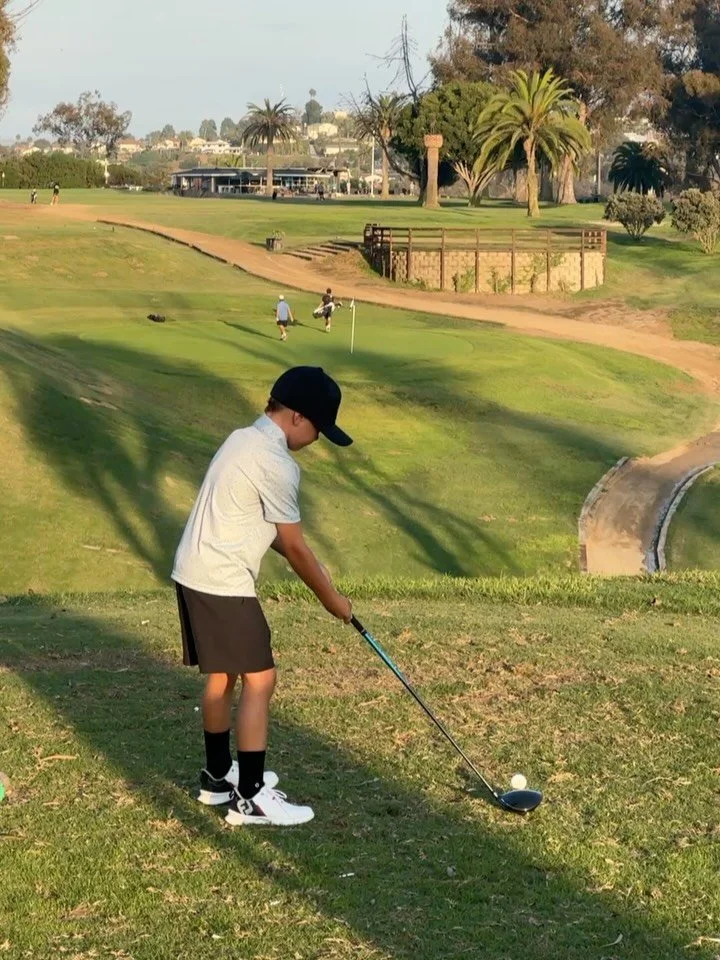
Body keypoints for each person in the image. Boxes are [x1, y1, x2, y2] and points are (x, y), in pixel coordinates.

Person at [172, 366, 353, 827]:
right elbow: (292, 545)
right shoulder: (277, 462)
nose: (316, 439)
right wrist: (333, 600)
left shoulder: (242, 438)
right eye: (318, 428)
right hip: (221, 579)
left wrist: (322, 578)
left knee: (223, 677)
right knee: (261, 678)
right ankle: (250, 797)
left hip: (194, 572)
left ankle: (216, 779)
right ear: (296, 417)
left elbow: (264, 525)